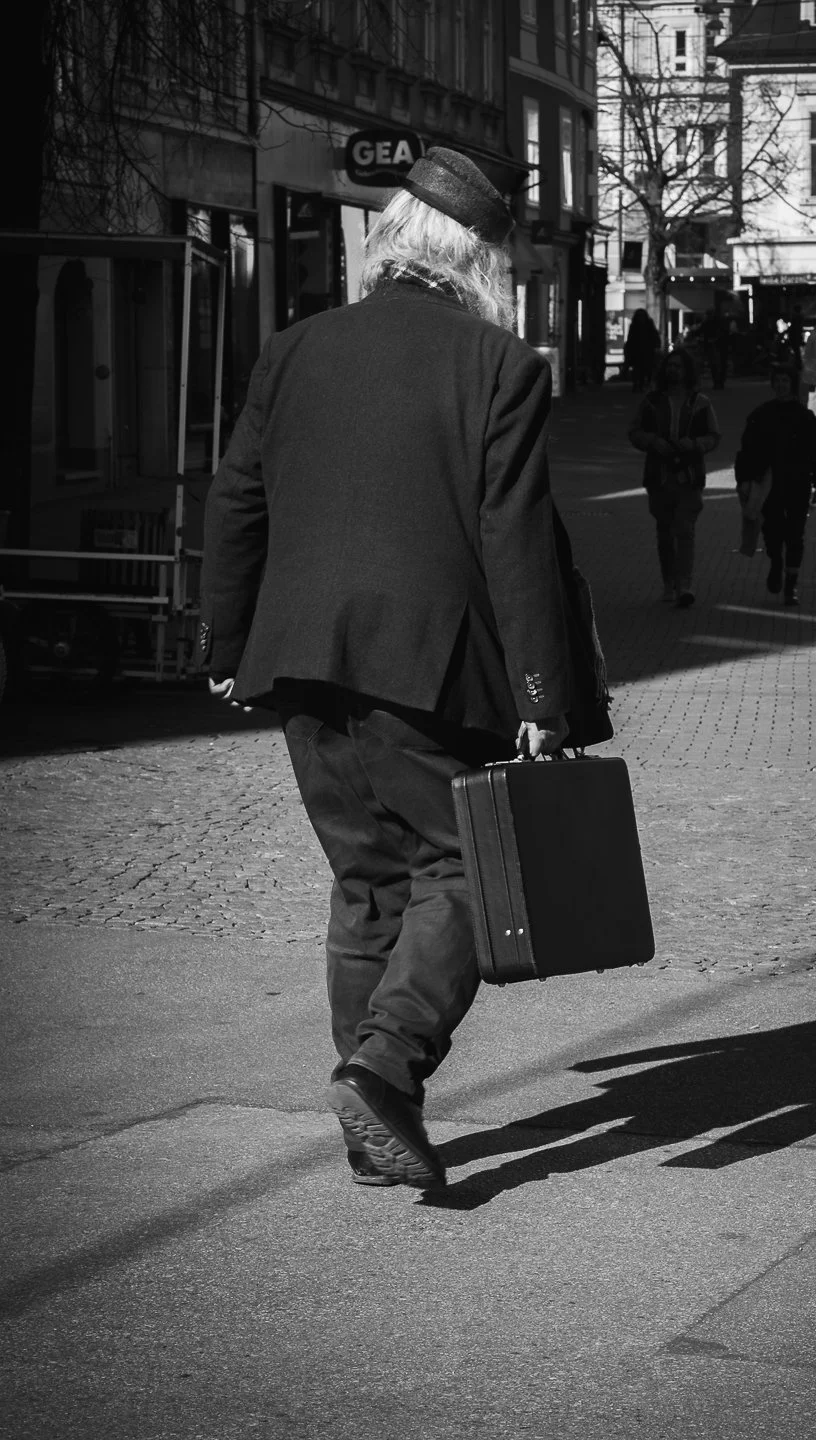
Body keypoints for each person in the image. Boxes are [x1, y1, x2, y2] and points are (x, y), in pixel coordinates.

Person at [199, 148, 590, 1192]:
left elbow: (236, 499)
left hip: (297, 657)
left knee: (368, 881)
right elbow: (515, 540)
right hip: (427, 663)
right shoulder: (498, 364)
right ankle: (384, 1068)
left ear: (391, 241)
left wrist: (225, 646)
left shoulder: (295, 348)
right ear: (477, 260)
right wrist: (543, 702)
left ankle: (370, 1123)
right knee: (464, 864)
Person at [629, 346, 720, 609]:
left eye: (678, 366)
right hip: (659, 475)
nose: (673, 370)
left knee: (685, 529)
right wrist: (652, 441)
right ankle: (668, 582)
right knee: (664, 531)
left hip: (689, 475)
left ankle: (685, 585)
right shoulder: (652, 401)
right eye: (670, 366)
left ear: (687, 371)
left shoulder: (700, 402)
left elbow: (714, 435)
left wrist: (695, 444)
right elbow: (634, 431)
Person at [736, 364, 816, 607]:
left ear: (792, 384)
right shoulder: (761, 414)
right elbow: (746, 450)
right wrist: (744, 479)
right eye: (777, 381)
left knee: (795, 534)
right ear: (772, 384)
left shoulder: (804, 416)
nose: (781, 385)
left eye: (785, 381)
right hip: (769, 484)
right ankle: (776, 562)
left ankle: (791, 585)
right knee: (773, 531)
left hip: (798, 482)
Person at [624, 308, 661, 393]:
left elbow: (630, 338)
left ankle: (639, 384)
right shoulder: (644, 324)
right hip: (641, 351)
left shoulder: (637, 325)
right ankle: (639, 384)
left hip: (643, 350)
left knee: (642, 369)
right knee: (641, 369)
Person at [701, 303, 730, 390]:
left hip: (718, 346)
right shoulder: (711, 322)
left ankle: (719, 382)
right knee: (716, 365)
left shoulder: (716, 322)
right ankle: (718, 382)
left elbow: (723, 333)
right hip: (716, 346)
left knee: (717, 365)